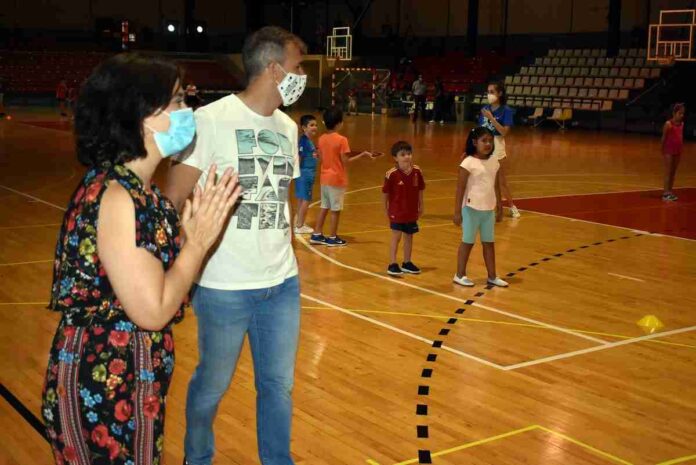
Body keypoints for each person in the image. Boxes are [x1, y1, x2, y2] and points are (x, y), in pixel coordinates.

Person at [41, 53, 241, 465]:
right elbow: (152, 310)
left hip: (133, 377)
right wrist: (197, 244)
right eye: (178, 101)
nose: (188, 110)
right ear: (144, 116)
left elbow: (158, 279)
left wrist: (191, 236)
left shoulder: (143, 193)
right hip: (106, 384)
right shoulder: (117, 196)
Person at [165, 26, 306, 465]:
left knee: (278, 386)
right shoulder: (209, 120)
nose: (302, 77)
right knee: (212, 385)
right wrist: (180, 267)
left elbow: (281, 200)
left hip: (282, 284)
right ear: (274, 69)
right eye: (298, 67)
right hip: (223, 287)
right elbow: (171, 200)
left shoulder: (288, 127)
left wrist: (286, 252)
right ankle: (197, 457)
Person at [310, 106, 379, 247]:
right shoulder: (342, 140)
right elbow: (345, 161)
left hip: (324, 178)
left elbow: (321, 158)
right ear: (339, 123)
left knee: (324, 206)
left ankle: (317, 234)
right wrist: (363, 154)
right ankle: (332, 237)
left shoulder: (321, 139)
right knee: (335, 210)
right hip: (336, 179)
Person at [452, 127, 508, 288]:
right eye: (484, 141)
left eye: (490, 141)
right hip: (471, 209)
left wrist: (499, 206)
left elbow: (496, 185)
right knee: (468, 242)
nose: (488, 144)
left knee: (489, 243)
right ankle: (459, 275)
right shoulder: (467, 163)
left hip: (488, 210)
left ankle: (492, 276)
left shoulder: (494, 161)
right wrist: (457, 212)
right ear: (475, 142)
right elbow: (460, 189)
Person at [383, 140, 425, 276]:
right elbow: (385, 193)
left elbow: (420, 189)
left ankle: (407, 262)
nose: (407, 156)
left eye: (408, 153)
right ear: (395, 158)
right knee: (396, 236)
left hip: (411, 211)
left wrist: (421, 205)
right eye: (402, 154)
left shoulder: (417, 171)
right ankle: (392, 263)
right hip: (397, 211)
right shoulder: (392, 174)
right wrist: (385, 208)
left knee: (409, 236)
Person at [479, 81, 520, 219]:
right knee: (485, 180)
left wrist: (491, 118)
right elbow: (481, 129)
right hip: (485, 146)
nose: (489, 95)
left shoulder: (506, 110)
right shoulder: (485, 109)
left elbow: (504, 132)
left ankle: (512, 206)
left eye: (492, 92)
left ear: (500, 93)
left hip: (497, 146)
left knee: (501, 181)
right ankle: (493, 207)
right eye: (488, 92)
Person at [294, 114, 319, 233]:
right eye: (311, 125)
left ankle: (299, 223)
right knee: (306, 200)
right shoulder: (304, 141)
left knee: (301, 199)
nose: (315, 127)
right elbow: (300, 157)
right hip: (305, 174)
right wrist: (297, 172)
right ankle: (300, 225)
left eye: (316, 125)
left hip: (305, 174)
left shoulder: (307, 141)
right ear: (304, 127)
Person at [661, 102, 685, 201]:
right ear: (674, 113)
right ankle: (665, 193)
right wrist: (662, 149)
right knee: (668, 171)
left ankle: (670, 191)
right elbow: (663, 138)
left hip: (677, 150)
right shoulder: (668, 124)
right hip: (668, 151)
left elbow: (680, 137)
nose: (682, 115)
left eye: (683, 113)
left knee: (673, 172)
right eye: (680, 113)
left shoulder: (682, 124)